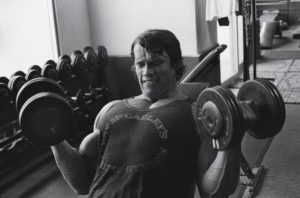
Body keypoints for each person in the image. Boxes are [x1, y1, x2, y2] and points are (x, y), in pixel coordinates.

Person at [51, 29, 241, 198]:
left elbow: (213, 191)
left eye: (156, 63)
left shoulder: (196, 114)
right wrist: (53, 137)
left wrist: (230, 142)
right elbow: (82, 184)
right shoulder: (109, 109)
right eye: (140, 64)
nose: (146, 71)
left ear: (175, 65)